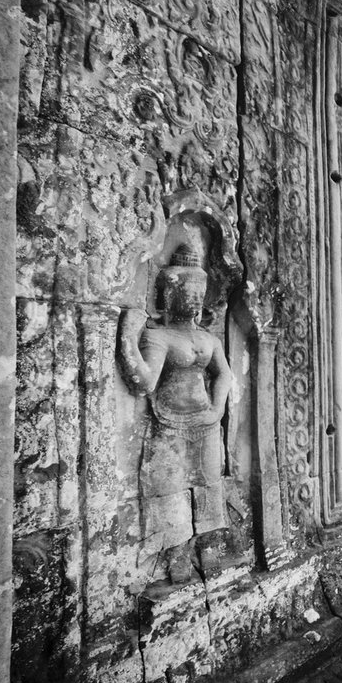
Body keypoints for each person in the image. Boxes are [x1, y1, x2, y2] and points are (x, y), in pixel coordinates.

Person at [119, 242, 232, 584]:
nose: (197, 299)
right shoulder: (159, 336)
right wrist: (127, 335)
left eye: (201, 291)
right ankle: (177, 555)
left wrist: (217, 407)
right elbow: (144, 384)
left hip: (207, 421)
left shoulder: (208, 338)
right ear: (170, 293)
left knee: (210, 483)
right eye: (189, 290)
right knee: (169, 491)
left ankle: (207, 548)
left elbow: (224, 373)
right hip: (169, 421)